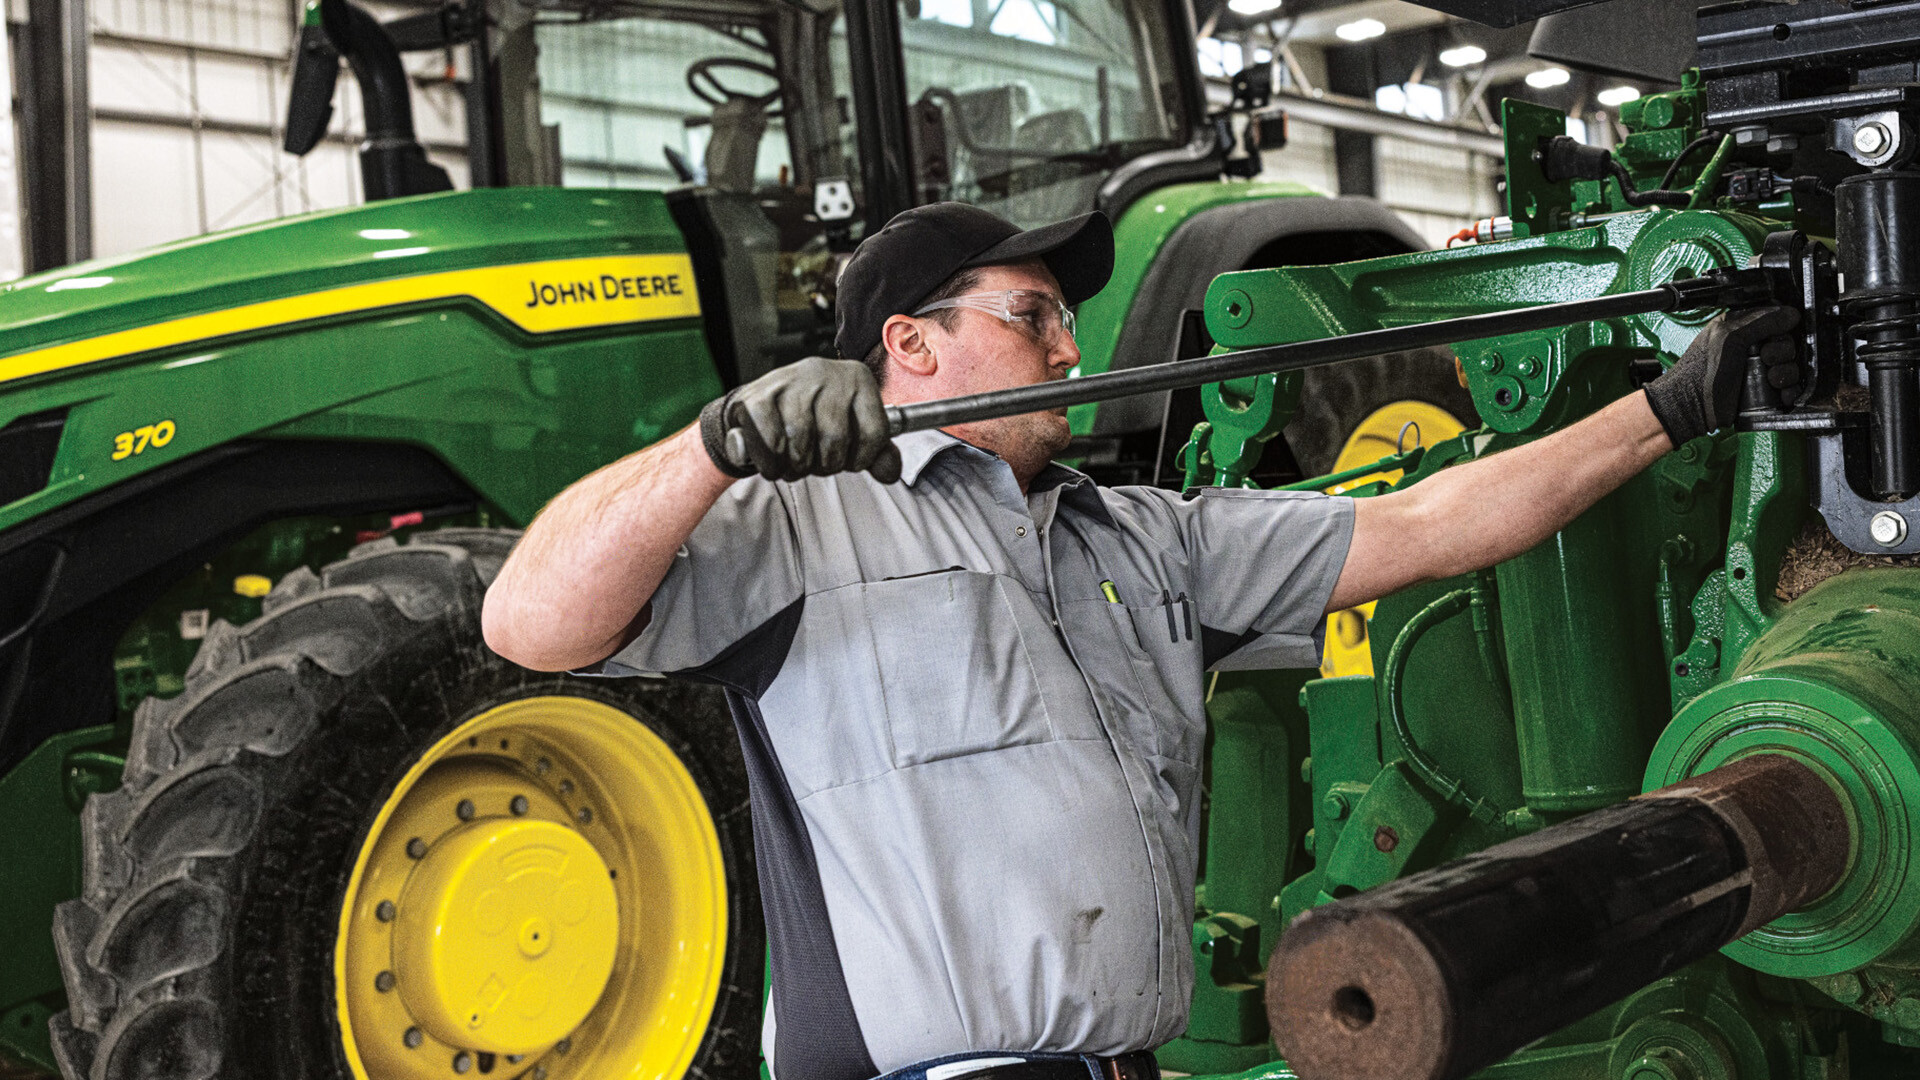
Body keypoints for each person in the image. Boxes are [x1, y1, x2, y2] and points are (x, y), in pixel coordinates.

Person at [481, 202, 1797, 1080]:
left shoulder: (1142, 535)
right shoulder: (796, 533)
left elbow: (1431, 526)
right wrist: (710, 450)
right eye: (1030, 315)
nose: (1069, 346)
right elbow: (530, 623)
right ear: (908, 345)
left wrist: (1675, 408)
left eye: (1065, 318)